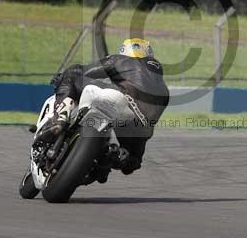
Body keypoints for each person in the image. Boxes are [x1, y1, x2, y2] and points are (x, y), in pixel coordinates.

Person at [45, 38, 169, 176]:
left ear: (125, 51)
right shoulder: (164, 90)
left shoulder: (120, 60)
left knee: (74, 71)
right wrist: (129, 158)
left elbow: (86, 71)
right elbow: (149, 125)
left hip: (119, 101)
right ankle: (109, 158)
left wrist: (62, 78)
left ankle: (59, 117)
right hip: (139, 124)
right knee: (132, 161)